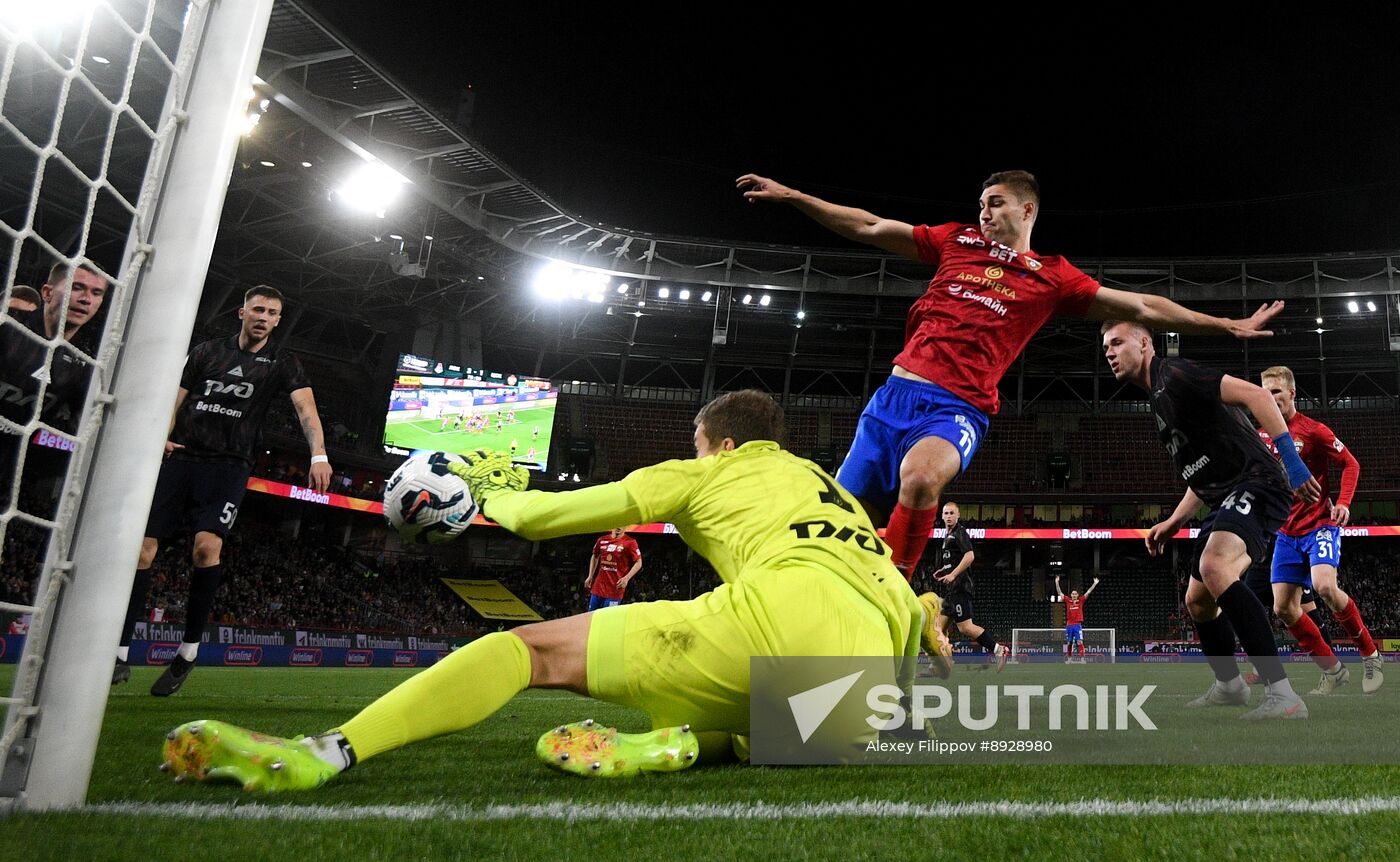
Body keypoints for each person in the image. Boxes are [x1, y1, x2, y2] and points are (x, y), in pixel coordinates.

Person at [161, 390, 928, 790]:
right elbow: (895, 590)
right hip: (864, 700)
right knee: (769, 712)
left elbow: (551, 519)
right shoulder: (834, 492)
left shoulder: (704, 470)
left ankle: (325, 753)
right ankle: (686, 740)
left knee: (522, 651)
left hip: (772, 630)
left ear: (720, 443)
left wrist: (486, 499)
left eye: (695, 445)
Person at [737, 170, 1284, 583]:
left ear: (1027, 210)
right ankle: (828, 675)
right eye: (980, 204)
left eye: (994, 203)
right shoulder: (956, 242)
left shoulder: (1051, 278)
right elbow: (872, 225)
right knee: (845, 537)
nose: (983, 212)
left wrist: (1224, 324)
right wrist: (794, 198)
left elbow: (1140, 303)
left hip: (956, 407)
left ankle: (897, 595)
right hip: (889, 402)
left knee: (923, 477)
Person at [114, 285, 333, 694]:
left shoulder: (283, 362)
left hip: (230, 466)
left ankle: (188, 652)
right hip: (181, 457)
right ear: (242, 312)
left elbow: (306, 410)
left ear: (278, 321)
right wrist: (160, 436)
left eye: (271, 313)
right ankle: (120, 651)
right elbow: (173, 402)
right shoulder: (206, 353)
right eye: (258, 310)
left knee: (205, 548)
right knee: (142, 549)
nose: (263, 317)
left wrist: (318, 455)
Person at [1102, 320, 1318, 719]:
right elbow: (1202, 476)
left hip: (1259, 481)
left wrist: (1292, 462)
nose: (1110, 352)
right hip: (1224, 495)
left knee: (1215, 566)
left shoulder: (1176, 373)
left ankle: (1284, 695)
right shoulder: (1159, 398)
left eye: (1117, 342)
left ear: (1145, 343)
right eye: (1105, 348)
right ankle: (1230, 686)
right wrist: (1173, 521)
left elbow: (1256, 395)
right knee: (1197, 601)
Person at [1257, 365, 1383, 695]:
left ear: (1292, 394)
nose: (1270, 399)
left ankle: (1370, 654)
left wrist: (1342, 502)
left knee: (1324, 586)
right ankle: (1333, 671)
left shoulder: (1313, 430)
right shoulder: (1261, 436)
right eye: (1265, 394)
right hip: (1286, 533)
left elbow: (1351, 464)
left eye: (1276, 393)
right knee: (1283, 608)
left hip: (1320, 526)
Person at [1, 262, 109, 512]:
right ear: (47, 293)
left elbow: (76, 436)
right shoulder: (8, 327)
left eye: (96, 293)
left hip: (8, 478)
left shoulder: (85, 363)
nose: (86, 299)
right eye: (77, 288)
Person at [928, 501, 1008, 671]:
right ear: (941, 516)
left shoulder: (960, 532)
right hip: (952, 590)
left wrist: (953, 574)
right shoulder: (947, 535)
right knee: (938, 629)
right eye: (946, 513)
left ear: (958, 515)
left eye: (952, 513)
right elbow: (955, 558)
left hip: (960, 587)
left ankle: (999, 650)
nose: (949, 516)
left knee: (965, 627)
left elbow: (969, 556)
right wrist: (944, 569)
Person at [584, 527, 642, 610]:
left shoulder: (630, 542)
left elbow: (639, 562)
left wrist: (626, 578)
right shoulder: (602, 540)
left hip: (615, 591)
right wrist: (590, 576)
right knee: (591, 617)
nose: (619, 526)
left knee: (608, 620)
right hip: (598, 589)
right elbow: (595, 555)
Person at [1054, 575, 1100, 663]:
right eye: (1073, 594)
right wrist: (1056, 582)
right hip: (1069, 625)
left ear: (1077, 595)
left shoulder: (1081, 600)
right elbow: (1060, 592)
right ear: (1071, 595)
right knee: (1069, 643)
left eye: (1075, 594)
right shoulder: (1068, 600)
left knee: (1079, 642)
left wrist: (1094, 583)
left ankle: (1083, 659)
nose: (1074, 595)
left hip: (1077, 625)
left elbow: (1088, 592)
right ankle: (1069, 659)